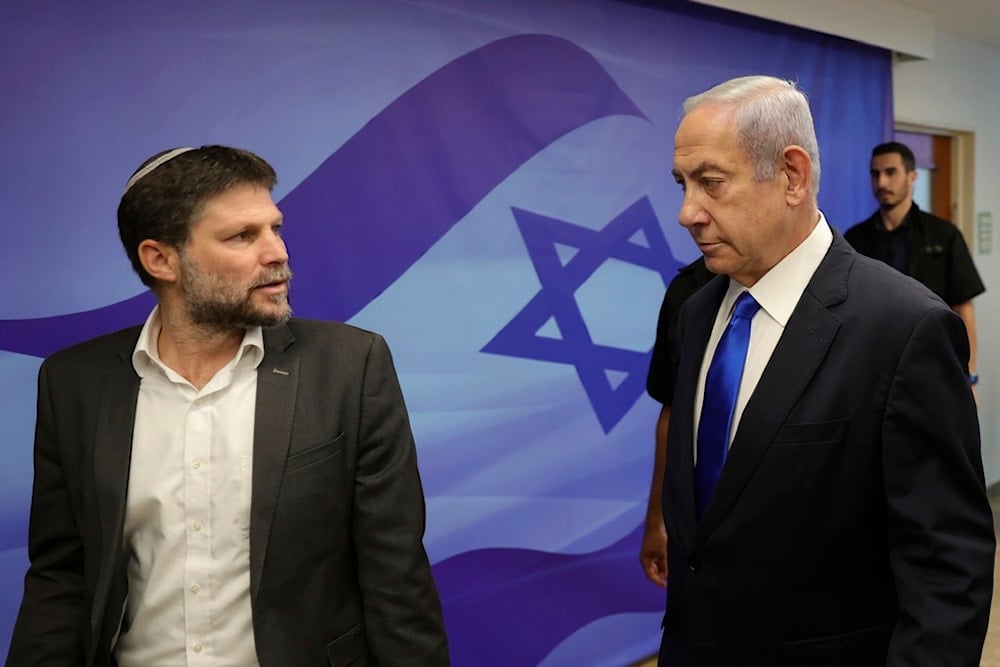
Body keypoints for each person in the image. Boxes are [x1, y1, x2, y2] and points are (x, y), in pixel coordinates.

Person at [7, 146, 449, 666]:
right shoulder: (74, 383)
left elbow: (396, 577)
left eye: (275, 228)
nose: (277, 252)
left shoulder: (350, 367)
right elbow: (61, 577)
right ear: (161, 259)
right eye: (242, 236)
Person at [660, 76, 993, 665]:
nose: (688, 212)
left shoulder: (905, 329)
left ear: (792, 175)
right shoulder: (696, 314)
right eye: (683, 185)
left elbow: (946, 569)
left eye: (710, 183)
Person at [845, 141, 985, 386]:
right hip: (873, 369)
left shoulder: (943, 235)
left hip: (933, 365)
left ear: (912, 176)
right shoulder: (855, 240)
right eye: (875, 174)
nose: (882, 183)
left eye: (890, 172)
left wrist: (969, 377)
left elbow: (963, 311)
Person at [640, 257, 713, 587]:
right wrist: (658, 520)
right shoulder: (686, 291)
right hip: (701, 527)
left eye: (714, 199)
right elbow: (672, 415)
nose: (688, 216)